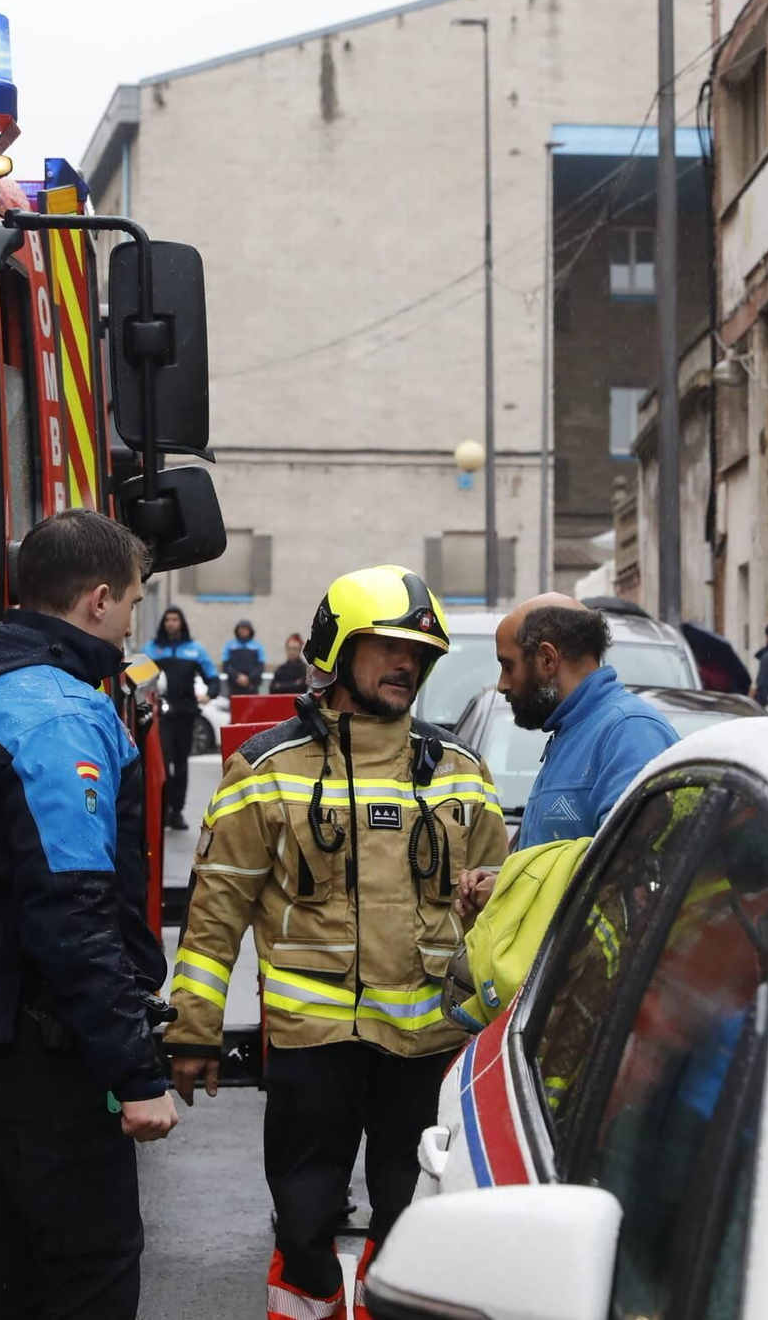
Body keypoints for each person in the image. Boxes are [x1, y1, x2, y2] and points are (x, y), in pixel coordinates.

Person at [164, 565, 508, 1320]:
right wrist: (193, 1026)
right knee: (307, 1222)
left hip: (425, 1048)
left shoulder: (462, 773)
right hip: (313, 1047)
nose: (405, 665)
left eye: (417, 654)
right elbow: (216, 911)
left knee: (414, 1220)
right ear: (336, 649)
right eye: (387, 647)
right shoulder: (265, 769)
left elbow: (502, 915)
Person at [0, 509, 179, 1320]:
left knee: (14, 1264)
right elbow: (74, 911)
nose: (132, 621)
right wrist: (135, 1071)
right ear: (97, 599)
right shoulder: (60, 714)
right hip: (47, 1042)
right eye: (131, 601)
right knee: (90, 1267)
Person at [499, 594, 680, 849]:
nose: (502, 685)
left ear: (547, 659)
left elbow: (625, 869)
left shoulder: (630, 731)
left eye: (508, 666)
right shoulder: (573, 730)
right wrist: (505, 881)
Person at [144, 606, 218, 830]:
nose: (171, 623)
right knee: (163, 761)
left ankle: (177, 811)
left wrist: (209, 695)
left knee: (181, 763)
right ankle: (162, 809)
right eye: (168, 619)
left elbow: (213, 678)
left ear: (182, 622)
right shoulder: (152, 649)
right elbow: (136, 677)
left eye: (175, 619)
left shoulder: (195, 650)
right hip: (162, 715)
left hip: (186, 714)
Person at [221, 619, 267, 698]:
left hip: (252, 685)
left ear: (250, 631)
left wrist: (249, 678)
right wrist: (237, 676)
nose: (243, 631)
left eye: (245, 629)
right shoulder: (230, 645)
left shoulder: (257, 646)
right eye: (241, 629)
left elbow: (260, 666)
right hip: (234, 685)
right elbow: (226, 666)